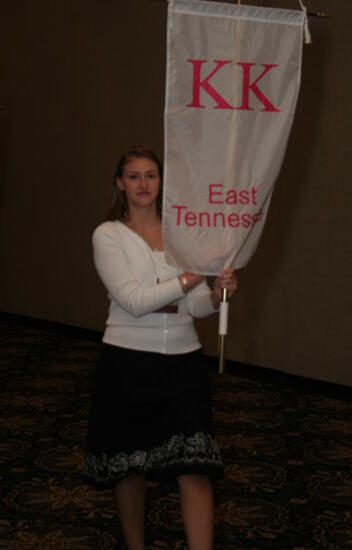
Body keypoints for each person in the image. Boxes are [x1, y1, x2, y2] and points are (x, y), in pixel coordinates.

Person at [83, 145, 237, 550]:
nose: (143, 184)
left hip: (183, 364)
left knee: (196, 468)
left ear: (161, 181)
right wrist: (189, 278)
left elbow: (196, 306)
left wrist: (218, 292)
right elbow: (133, 302)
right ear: (120, 183)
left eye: (150, 175)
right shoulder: (108, 235)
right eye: (133, 176)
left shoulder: (182, 236)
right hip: (127, 362)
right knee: (131, 468)